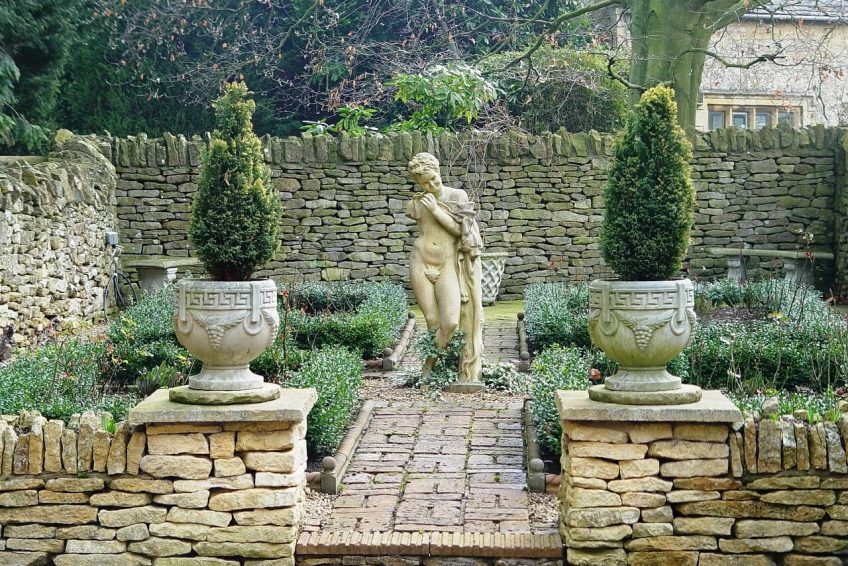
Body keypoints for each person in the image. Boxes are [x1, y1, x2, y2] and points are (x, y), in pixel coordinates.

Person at [406, 152, 484, 387]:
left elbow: (461, 231)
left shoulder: (457, 196)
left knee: (449, 323)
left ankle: (432, 363)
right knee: (432, 321)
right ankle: (429, 370)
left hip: (447, 264)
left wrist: (436, 209)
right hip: (421, 260)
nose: (431, 185)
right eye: (425, 183)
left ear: (439, 172)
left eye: (433, 179)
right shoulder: (416, 204)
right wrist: (427, 205)